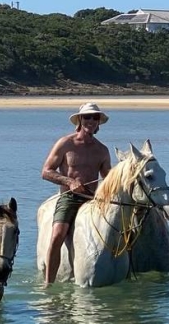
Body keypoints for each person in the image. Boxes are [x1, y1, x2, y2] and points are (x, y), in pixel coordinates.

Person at [41, 102, 112, 283]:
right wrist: (70, 181)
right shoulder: (66, 143)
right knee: (57, 235)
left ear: (98, 122)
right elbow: (46, 171)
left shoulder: (102, 150)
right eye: (87, 117)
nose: (91, 121)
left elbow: (108, 180)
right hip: (69, 198)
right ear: (80, 120)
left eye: (95, 117)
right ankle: (49, 283)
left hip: (92, 200)